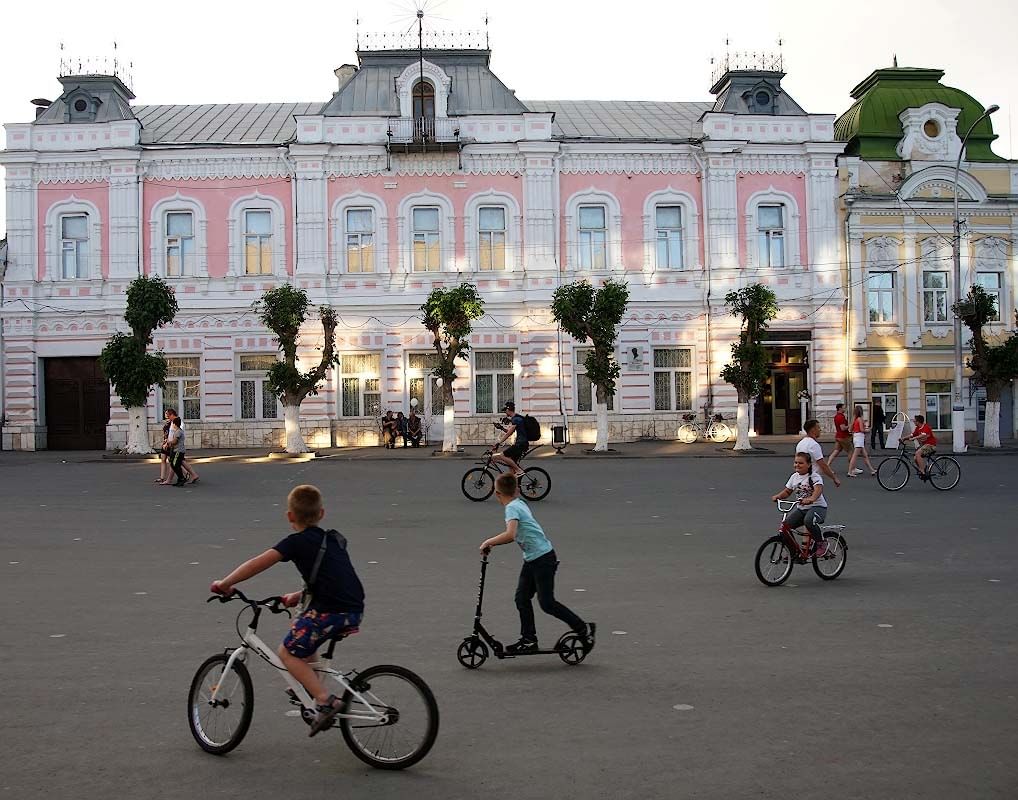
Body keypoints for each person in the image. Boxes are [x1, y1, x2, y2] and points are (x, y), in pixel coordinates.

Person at [210, 484, 365, 737]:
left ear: (290, 516)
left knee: (287, 652)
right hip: (352, 607)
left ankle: (325, 700)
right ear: (321, 514)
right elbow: (332, 577)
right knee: (304, 627)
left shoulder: (295, 542)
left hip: (330, 610)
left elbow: (258, 563)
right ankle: (309, 687)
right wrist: (298, 595)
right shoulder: (331, 538)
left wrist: (225, 584)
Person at [479, 473, 594, 653]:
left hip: (543, 559)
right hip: (534, 558)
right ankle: (529, 639)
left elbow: (511, 534)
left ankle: (582, 629)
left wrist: (488, 542)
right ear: (515, 490)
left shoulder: (512, 508)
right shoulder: (518, 503)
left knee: (547, 603)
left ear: (497, 493)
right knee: (522, 598)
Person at [771, 451, 829, 558]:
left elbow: (818, 490)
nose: (797, 465)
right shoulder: (794, 477)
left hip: (817, 508)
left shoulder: (814, 477)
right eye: (796, 462)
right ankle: (793, 553)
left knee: (809, 521)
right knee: (785, 527)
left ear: (809, 464)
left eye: (801, 463)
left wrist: (811, 499)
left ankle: (821, 543)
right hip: (802, 509)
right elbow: (787, 491)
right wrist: (778, 496)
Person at [796, 419, 841, 488]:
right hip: (813, 478)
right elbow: (822, 465)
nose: (820, 430)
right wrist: (834, 478)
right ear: (813, 430)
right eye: (818, 428)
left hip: (802, 477)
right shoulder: (814, 445)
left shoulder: (800, 443)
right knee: (814, 498)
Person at [491, 401, 527, 477]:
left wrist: (498, 443)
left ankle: (519, 470)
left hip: (520, 444)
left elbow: (509, 434)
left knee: (502, 455)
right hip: (521, 444)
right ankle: (514, 486)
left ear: (508, 410)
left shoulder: (516, 419)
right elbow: (510, 431)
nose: (505, 413)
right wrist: (501, 428)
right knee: (511, 465)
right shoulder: (517, 418)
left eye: (505, 411)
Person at [902, 414, 937, 479]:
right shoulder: (917, 428)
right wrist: (903, 438)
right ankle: (922, 469)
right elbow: (912, 435)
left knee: (917, 453)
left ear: (918, 422)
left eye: (915, 421)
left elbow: (923, 435)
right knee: (916, 458)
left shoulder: (926, 427)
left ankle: (922, 471)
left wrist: (914, 438)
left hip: (931, 445)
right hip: (925, 446)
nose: (914, 422)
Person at [846, 405, 877, 477]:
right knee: (855, 455)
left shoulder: (854, 419)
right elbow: (862, 429)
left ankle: (872, 470)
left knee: (865, 455)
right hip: (859, 437)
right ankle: (850, 471)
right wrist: (868, 430)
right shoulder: (859, 419)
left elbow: (851, 430)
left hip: (857, 437)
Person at [827, 403, 852, 469]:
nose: (845, 409)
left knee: (836, 451)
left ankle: (828, 465)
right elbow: (843, 428)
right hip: (843, 437)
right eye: (844, 407)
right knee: (850, 451)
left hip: (838, 436)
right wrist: (849, 425)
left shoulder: (836, 416)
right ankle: (852, 468)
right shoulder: (841, 417)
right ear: (840, 408)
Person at [165, 417, 188, 487]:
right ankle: (180, 479)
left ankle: (182, 478)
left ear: (175, 424)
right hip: (176, 450)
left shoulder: (178, 432)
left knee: (175, 465)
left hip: (178, 451)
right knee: (174, 464)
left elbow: (175, 442)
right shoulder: (178, 431)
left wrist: (168, 442)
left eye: (173, 424)